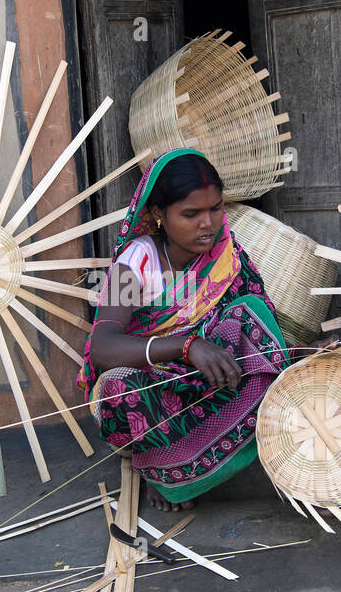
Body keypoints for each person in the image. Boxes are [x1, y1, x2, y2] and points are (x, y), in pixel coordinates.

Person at [79, 148, 293, 512]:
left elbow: (253, 323)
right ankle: (163, 470)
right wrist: (186, 347)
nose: (207, 224)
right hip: (156, 389)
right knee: (118, 389)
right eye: (191, 214)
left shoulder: (226, 254)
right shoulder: (137, 262)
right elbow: (102, 346)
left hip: (210, 379)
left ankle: (250, 441)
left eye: (215, 208)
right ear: (159, 214)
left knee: (250, 314)